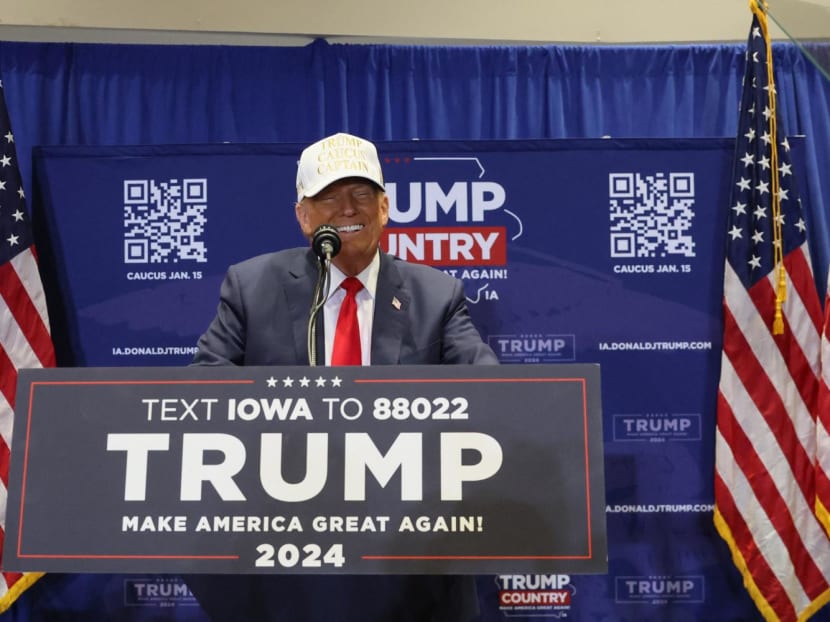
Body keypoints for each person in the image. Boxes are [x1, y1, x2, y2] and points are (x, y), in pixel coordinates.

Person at [185, 131, 498, 621]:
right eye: (327, 197)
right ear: (303, 216)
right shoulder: (251, 286)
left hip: (406, 554)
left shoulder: (437, 295)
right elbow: (205, 387)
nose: (347, 209)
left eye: (361, 194)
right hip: (287, 547)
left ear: (385, 208)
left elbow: (489, 391)